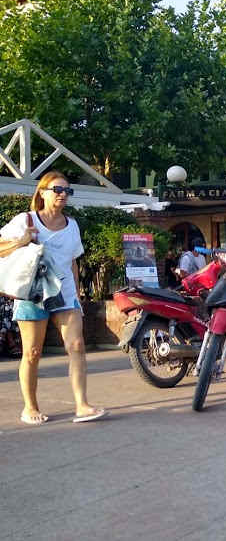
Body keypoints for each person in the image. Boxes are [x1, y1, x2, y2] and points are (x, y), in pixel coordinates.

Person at [0, 171, 107, 425]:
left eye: (67, 191)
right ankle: (30, 407)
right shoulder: (26, 220)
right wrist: (22, 241)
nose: (62, 195)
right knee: (33, 352)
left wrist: (78, 294)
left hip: (65, 295)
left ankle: (82, 405)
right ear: (43, 192)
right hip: (33, 294)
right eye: (57, 190)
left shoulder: (72, 225)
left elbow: (72, 262)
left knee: (77, 346)